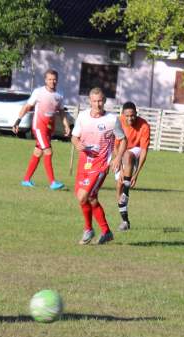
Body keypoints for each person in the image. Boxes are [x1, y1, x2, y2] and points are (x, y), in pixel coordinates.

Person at [71, 87, 126, 245]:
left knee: (83, 196)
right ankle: (106, 232)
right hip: (84, 164)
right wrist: (77, 145)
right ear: (90, 101)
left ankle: (88, 229)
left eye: (100, 101)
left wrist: (118, 158)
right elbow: (75, 137)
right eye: (94, 101)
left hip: (100, 165)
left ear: (105, 101)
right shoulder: (83, 116)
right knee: (90, 199)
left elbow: (123, 140)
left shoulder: (111, 120)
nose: (98, 104)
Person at [13, 69, 70, 190]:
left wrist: (66, 125)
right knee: (48, 151)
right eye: (49, 79)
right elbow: (27, 106)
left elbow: (61, 111)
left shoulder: (59, 94)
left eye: (54, 79)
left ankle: (26, 180)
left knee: (38, 152)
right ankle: (53, 182)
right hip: (39, 127)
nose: (52, 81)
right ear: (45, 80)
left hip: (50, 128)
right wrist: (18, 121)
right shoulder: (38, 92)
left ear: (57, 80)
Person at [115, 101, 150, 231]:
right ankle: (125, 221)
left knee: (128, 155)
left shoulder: (144, 125)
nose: (130, 118)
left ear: (136, 114)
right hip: (119, 152)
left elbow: (144, 150)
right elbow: (116, 146)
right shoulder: (118, 122)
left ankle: (127, 188)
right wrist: (122, 169)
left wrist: (136, 174)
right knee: (119, 186)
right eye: (127, 116)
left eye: (132, 115)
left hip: (134, 151)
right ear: (123, 115)